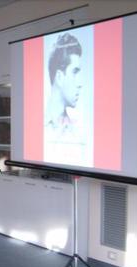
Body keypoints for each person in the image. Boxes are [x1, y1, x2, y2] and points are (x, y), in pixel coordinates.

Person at [44, 32, 89, 166]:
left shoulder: (77, 135)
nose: (80, 83)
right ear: (59, 76)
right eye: (75, 72)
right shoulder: (36, 128)